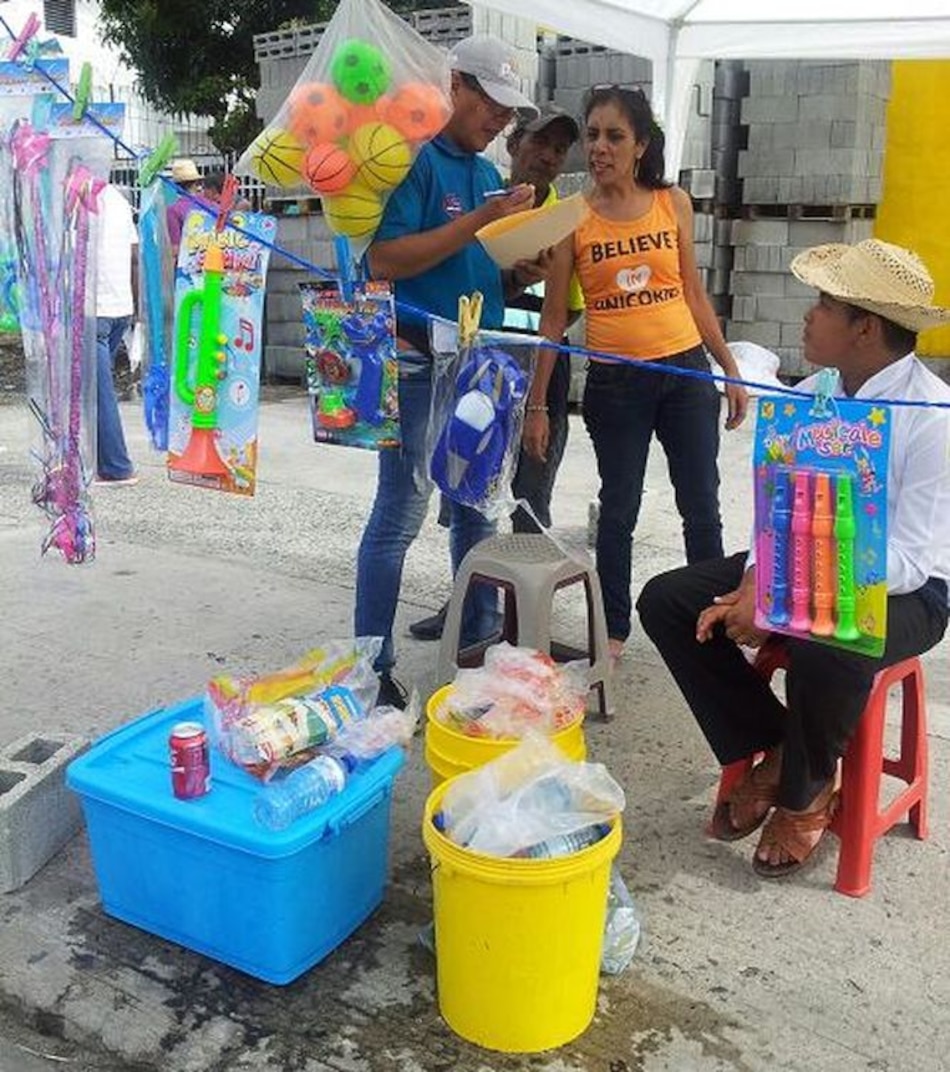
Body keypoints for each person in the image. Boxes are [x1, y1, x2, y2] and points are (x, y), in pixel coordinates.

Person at [636, 238, 950, 878]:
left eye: (824, 305)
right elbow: (774, 510)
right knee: (668, 600)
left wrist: (786, 594)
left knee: (828, 635)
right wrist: (761, 578)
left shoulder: (932, 418)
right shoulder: (813, 395)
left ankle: (805, 790)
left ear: (864, 328)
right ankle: (776, 742)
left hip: (910, 591)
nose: (809, 316)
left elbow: (911, 560)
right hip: (798, 559)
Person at [356, 34, 541, 706]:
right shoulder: (412, 160)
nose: (500, 120)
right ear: (455, 85)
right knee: (400, 513)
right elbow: (383, 260)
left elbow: (476, 267)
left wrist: (520, 266)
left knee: (475, 507)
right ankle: (370, 667)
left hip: (477, 361)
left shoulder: (489, 176)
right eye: (492, 103)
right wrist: (481, 221)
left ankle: (476, 650)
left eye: (508, 111)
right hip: (413, 361)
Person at [535, 85, 748, 663]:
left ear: (641, 145)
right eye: (592, 135)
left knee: (701, 503)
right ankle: (613, 629)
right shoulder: (571, 218)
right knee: (619, 508)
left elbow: (694, 294)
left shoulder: (672, 202)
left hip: (686, 374)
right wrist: (537, 405)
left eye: (614, 136)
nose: (599, 148)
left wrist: (728, 368)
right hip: (616, 385)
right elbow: (553, 319)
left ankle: (711, 617)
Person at [408, 103, 585, 642]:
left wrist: (537, 397)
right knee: (468, 489)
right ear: (513, 144)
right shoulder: (483, 201)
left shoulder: (564, 219)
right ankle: (470, 606)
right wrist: (508, 280)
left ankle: (525, 623)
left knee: (529, 496)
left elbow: (565, 311)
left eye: (559, 150)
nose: (548, 157)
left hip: (537, 370)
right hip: (477, 365)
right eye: (539, 143)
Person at [94, 183, 139, 487]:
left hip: (93, 309)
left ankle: (116, 466)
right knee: (90, 388)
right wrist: (134, 305)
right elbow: (134, 255)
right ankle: (90, 458)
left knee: (98, 392)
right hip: (120, 307)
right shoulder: (118, 199)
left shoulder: (73, 197)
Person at [166, 159, 205, 251]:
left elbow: (176, 247)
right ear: (196, 182)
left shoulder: (173, 210)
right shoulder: (209, 203)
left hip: (189, 256)